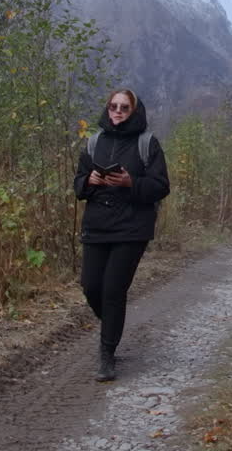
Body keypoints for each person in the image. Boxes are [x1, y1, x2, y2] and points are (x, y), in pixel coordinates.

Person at [73, 88, 170, 382]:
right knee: (91, 287)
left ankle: (107, 355)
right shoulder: (94, 142)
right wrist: (89, 180)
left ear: (134, 111)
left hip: (132, 228)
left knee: (113, 290)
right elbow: (78, 186)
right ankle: (113, 325)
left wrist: (131, 182)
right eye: (113, 106)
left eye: (124, 107)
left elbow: (161, 186)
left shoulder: (147, 143)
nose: (117, 111)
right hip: (97, 225)